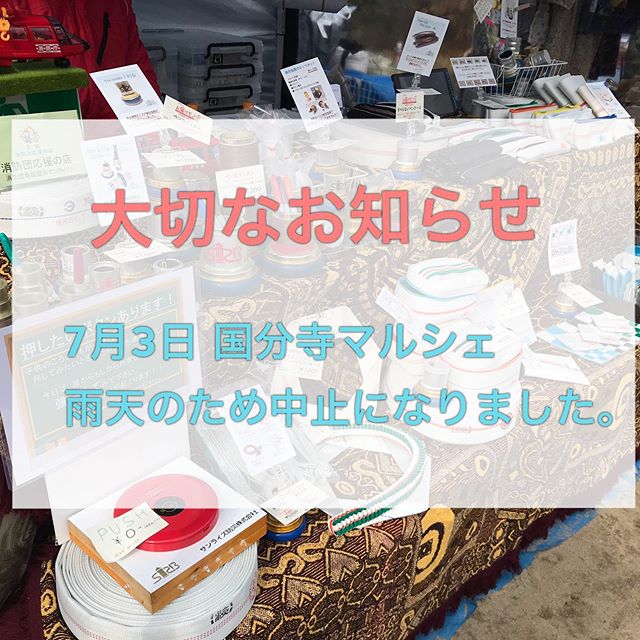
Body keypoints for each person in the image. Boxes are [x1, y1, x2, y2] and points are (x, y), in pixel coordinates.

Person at [4, 0, 160, 118]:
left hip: (112, 137)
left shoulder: (118, 4)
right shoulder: (9, 6)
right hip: (43, 138)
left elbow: (139, 72)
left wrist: (150, 123)